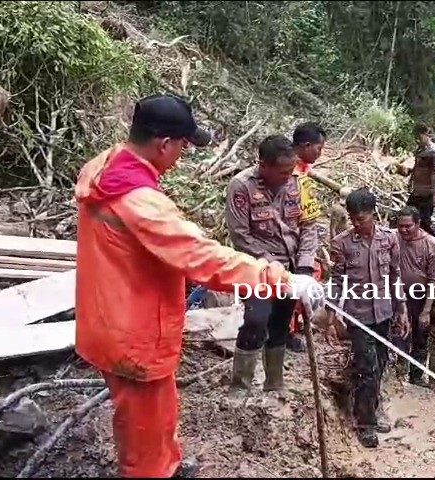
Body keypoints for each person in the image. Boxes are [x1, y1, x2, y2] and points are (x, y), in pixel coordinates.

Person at [74, 94, 319, 478]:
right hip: (134, 333)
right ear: (163, 143)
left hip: (116, 316)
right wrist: (281, 279)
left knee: (158, 414)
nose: (183, 155)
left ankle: (168, 465)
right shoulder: (140, 202)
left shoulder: (107, 166)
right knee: (143, 434)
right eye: (183, 146)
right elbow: (202, 256)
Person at [224, 134, 320, 392]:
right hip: (256, 270)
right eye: (282, 171)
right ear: (263, 165)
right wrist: (270, 265)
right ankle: (240, 385)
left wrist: (304, 269)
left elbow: (309, 226)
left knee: (280, 323)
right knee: (256, 320)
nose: (288, 176)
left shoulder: (299, 183)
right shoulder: (241, 186)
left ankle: (274, 385)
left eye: (291, 170)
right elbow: (240, 236)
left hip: (291, 269)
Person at [327, 188, 408, 448]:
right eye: (352, 218)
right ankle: (365, 424)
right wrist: (332, 315)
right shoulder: (342, 243)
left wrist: (402, 309)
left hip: (384, 312)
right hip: (359, 315)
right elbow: (336, 282)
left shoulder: (389, 239)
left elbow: (395, 275)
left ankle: (371, 410)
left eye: (360, 218)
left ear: (373, 214)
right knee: (367, 368)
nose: (356, 223)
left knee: (382, 363)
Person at [284, 122, 327, 353]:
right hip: (287, 239)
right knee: (293, 284)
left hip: (300, 236)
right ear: (307, 146)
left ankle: (293, 326)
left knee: (310, 275)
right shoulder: (289, 173)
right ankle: (287, 331)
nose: (320, 154)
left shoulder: (301, 170)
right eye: (319, 148)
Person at [394, 206, 435, 387]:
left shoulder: (432, 245)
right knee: (398, 334)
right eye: (400, 226)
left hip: (420, 296)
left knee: (420, 337)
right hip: (397, 294)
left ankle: (416, 376)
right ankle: (398, 377)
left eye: (408, 226)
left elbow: (434, 280)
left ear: (418, 224)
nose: (404, 230)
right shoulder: (393, 238)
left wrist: (427, 310)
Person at [405, 123, 435, 238]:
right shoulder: (420, 149)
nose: (417, 140)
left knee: (425, 222)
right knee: (408, 215)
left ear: (426, 135)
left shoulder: (433, 152)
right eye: (416, 138)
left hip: (427, 192)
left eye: (419, 137)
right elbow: (417, 167)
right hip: (417, 191)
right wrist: (411, 181)